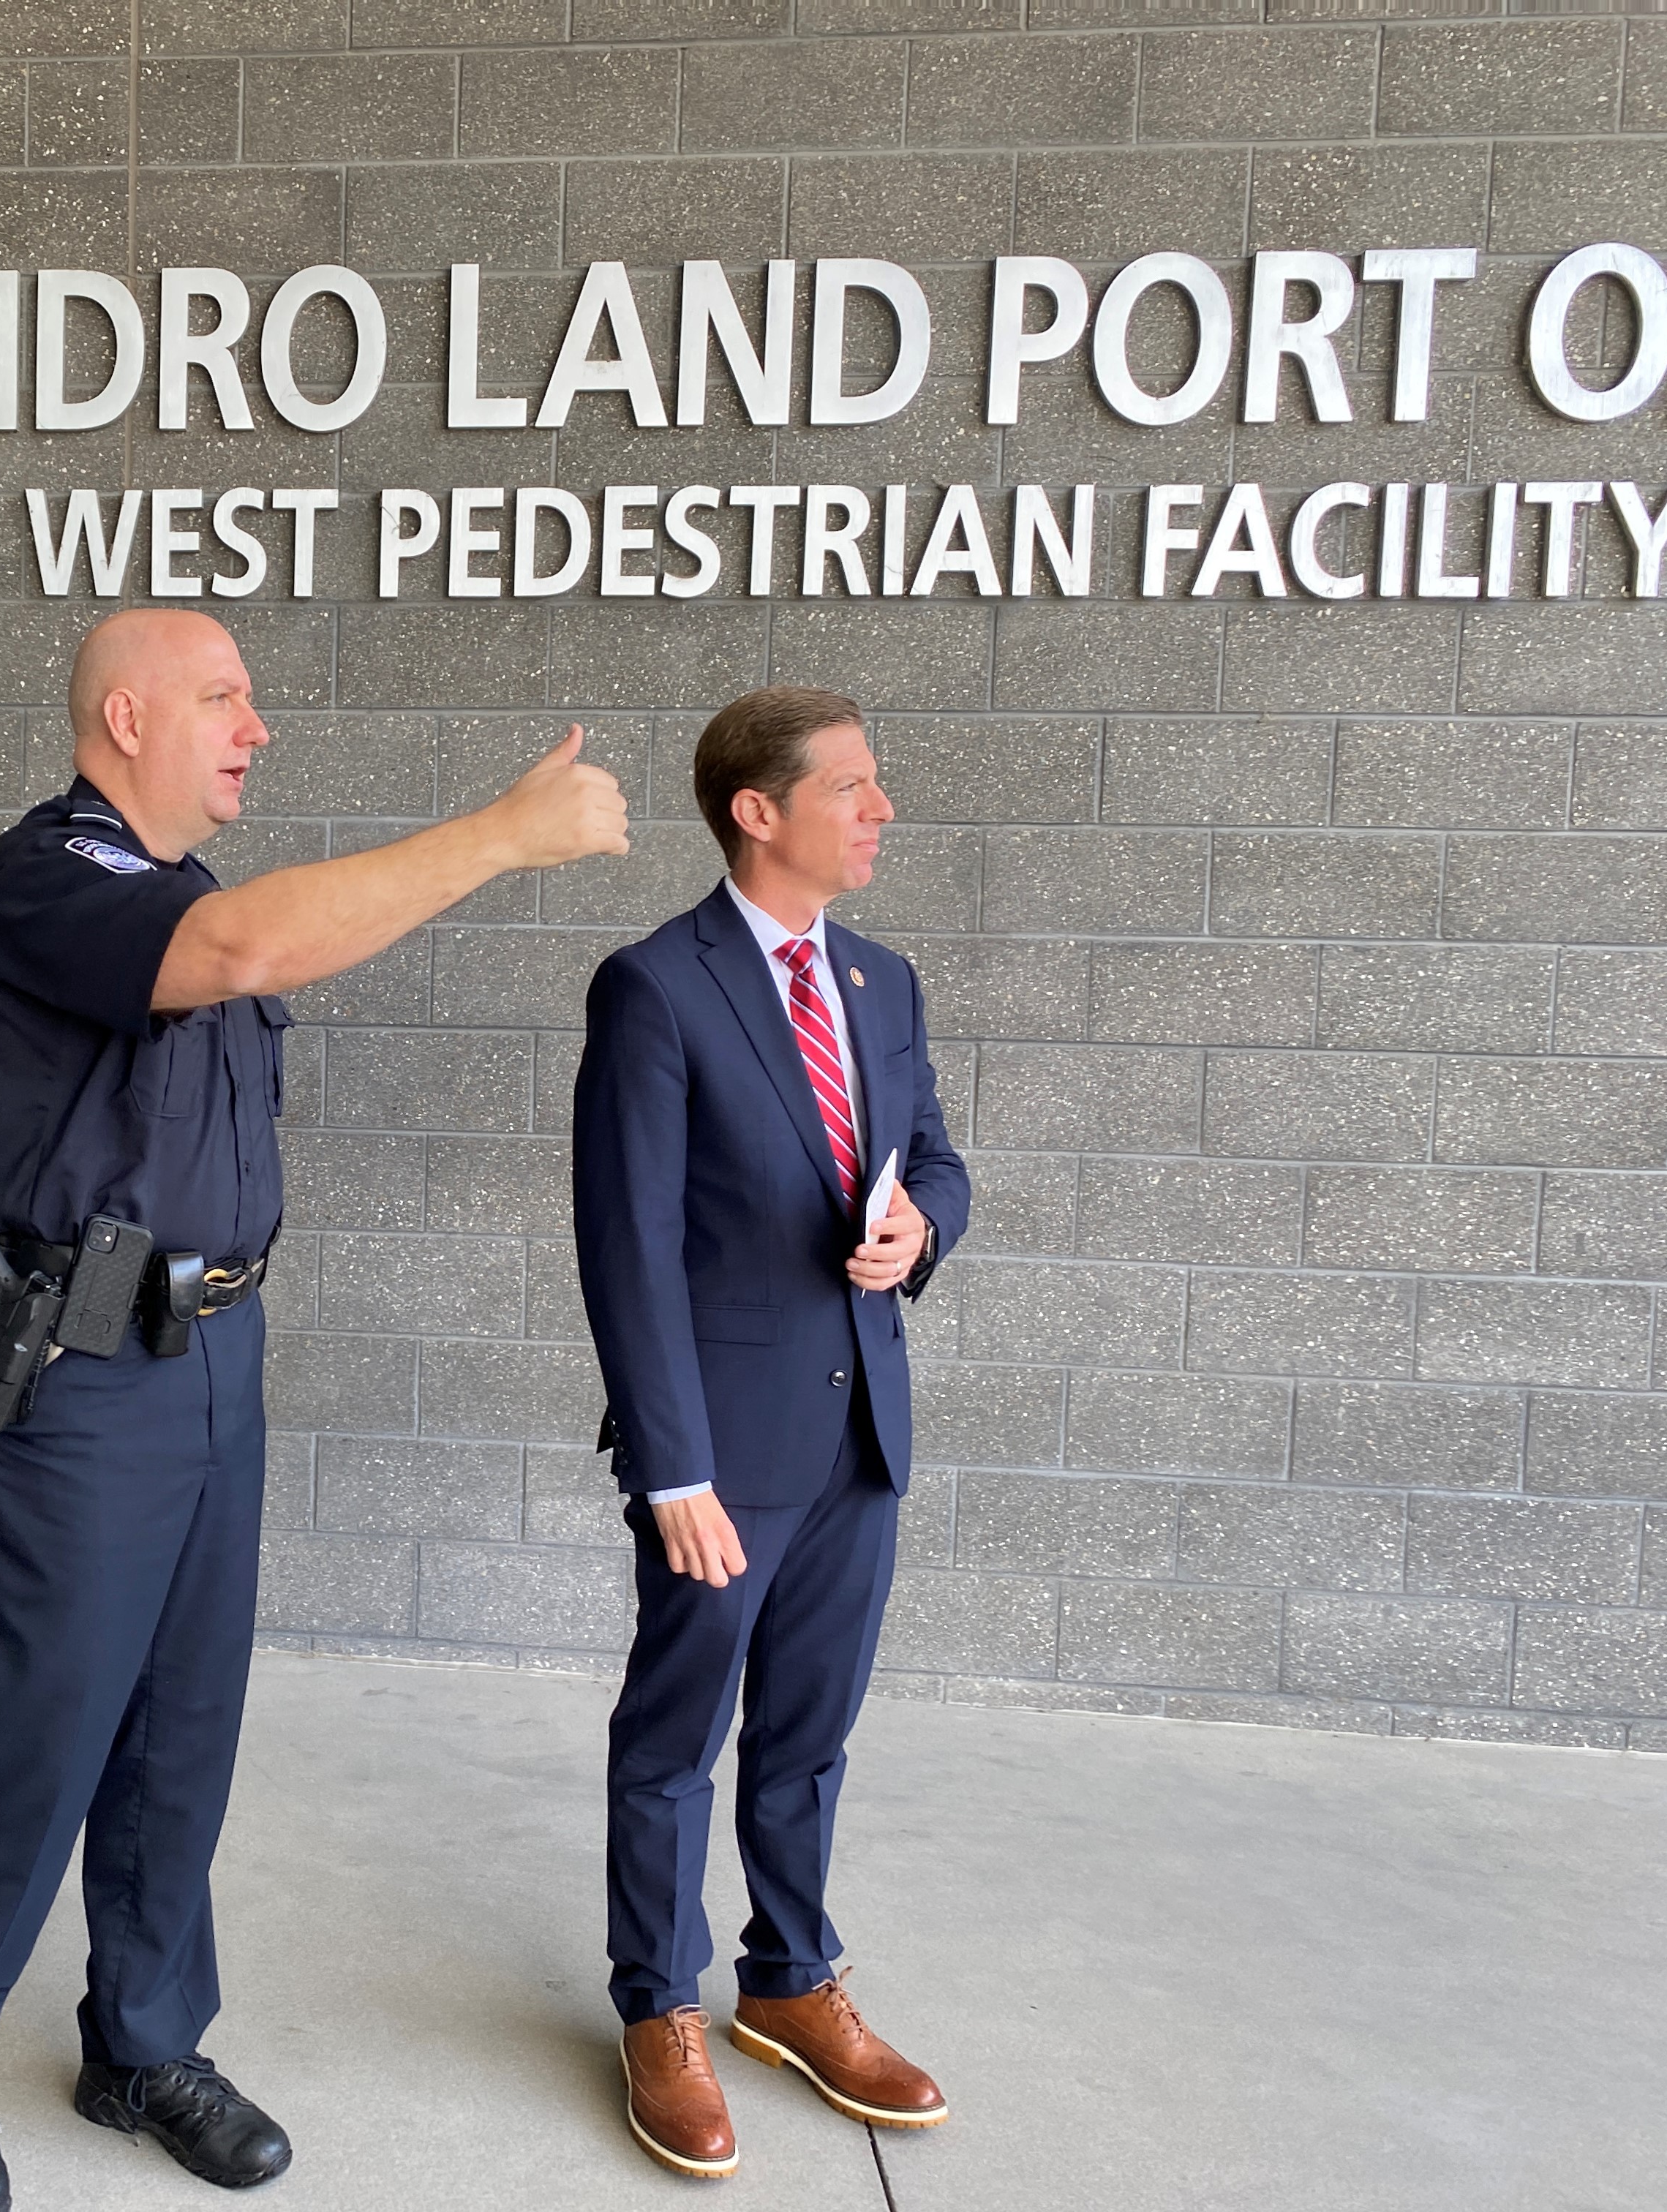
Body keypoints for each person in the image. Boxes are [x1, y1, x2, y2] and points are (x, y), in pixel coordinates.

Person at [0, 606, 631, 2212]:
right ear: (125, 718)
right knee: (46, 1728)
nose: (256, 725)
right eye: (223, 696)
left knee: (182, 1724)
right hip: (73, 1377)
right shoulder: (44, 881)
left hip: (213, 1355)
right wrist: (499, 836)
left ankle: (142, 2042)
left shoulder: (189, 896)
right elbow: (242, 958)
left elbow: (236, 958)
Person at [571, 685, 971, 2178]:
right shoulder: (656, 989)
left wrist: (924, 1225)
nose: (880, 810)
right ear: (760, 809)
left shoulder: (884, 981)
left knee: (808, 1736)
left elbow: (932, 1156)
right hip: (722, 1456)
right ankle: (657, 2007)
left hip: (863, 1429)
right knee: (676, 1737)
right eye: (854, 788)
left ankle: (791, 1983)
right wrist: (671, 1466)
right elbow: (627, 1246)